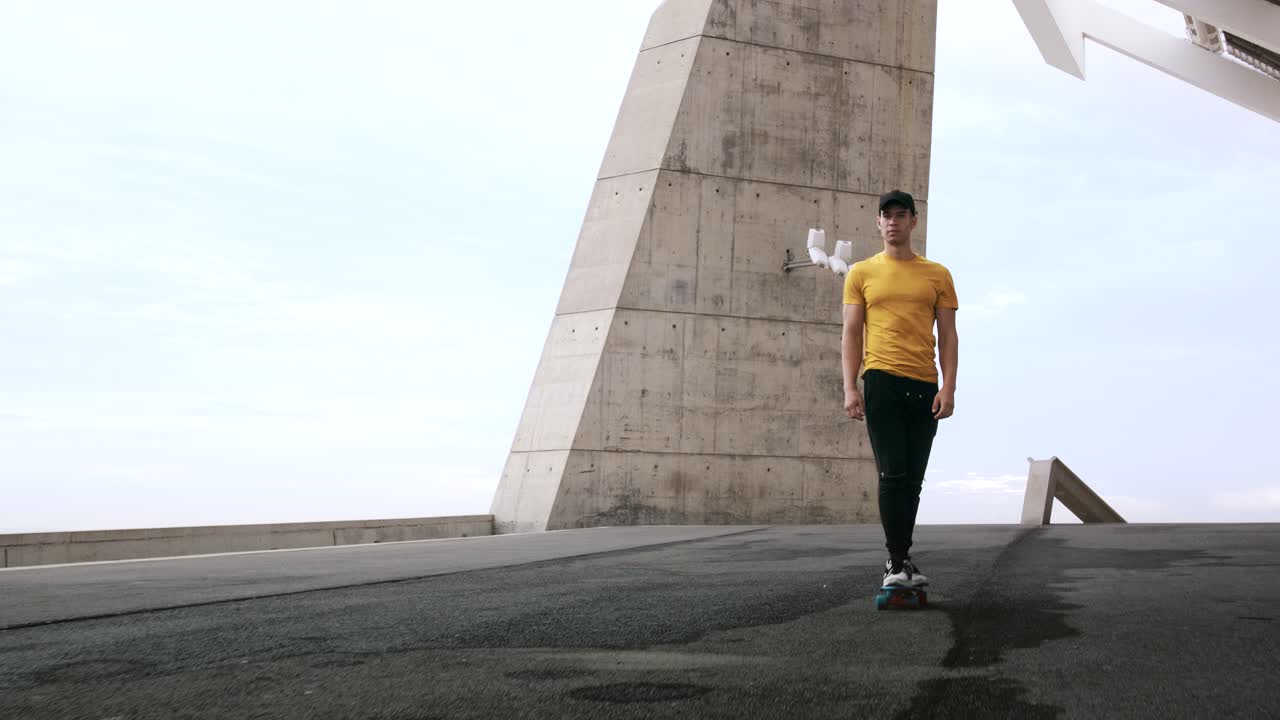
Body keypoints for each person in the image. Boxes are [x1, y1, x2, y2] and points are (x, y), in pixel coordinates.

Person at [841, 190, 959, 589]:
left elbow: (948, 335)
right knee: (892, 473)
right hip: (881, 380)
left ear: (913, 222)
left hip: (924, 384)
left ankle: (903, 557)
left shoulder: (937, 274)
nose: (893, 222)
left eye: (900, 215)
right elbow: (852, 333)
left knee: (913, 479)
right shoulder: (862, 273)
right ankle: (895, 561)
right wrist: (850, 387)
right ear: (878, 223)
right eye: (886, 216)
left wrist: (949, 387)